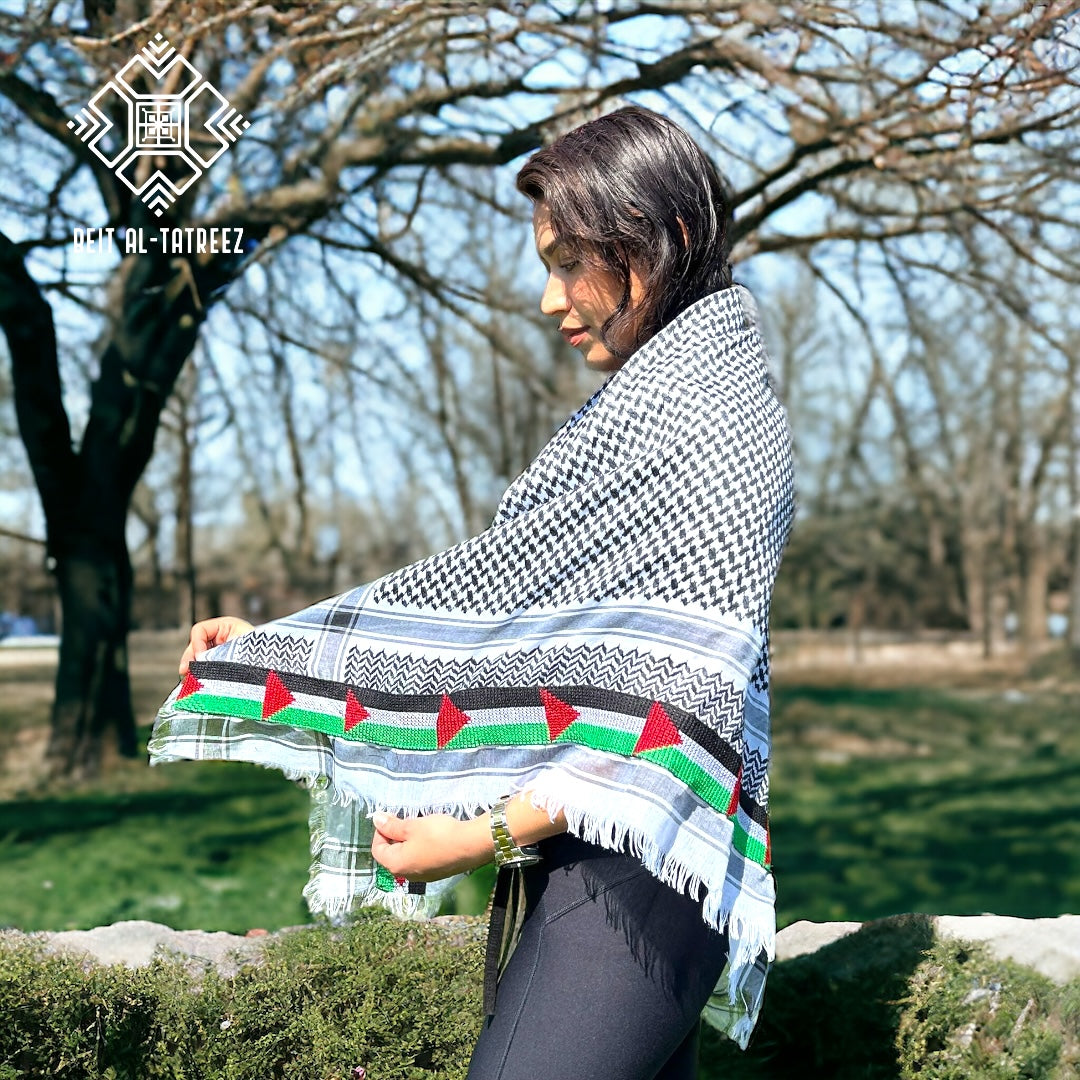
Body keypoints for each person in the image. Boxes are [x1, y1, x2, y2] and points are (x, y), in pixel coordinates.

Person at [153, 104, 794, 1080]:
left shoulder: (713, 425)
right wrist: (282, 653)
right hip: (590, 858)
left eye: (571, 259)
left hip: (646, 871)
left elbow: (675, 707)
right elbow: (499, 618)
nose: (551, 299)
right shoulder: (637, 418)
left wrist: (477, 833)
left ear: (663, 242)